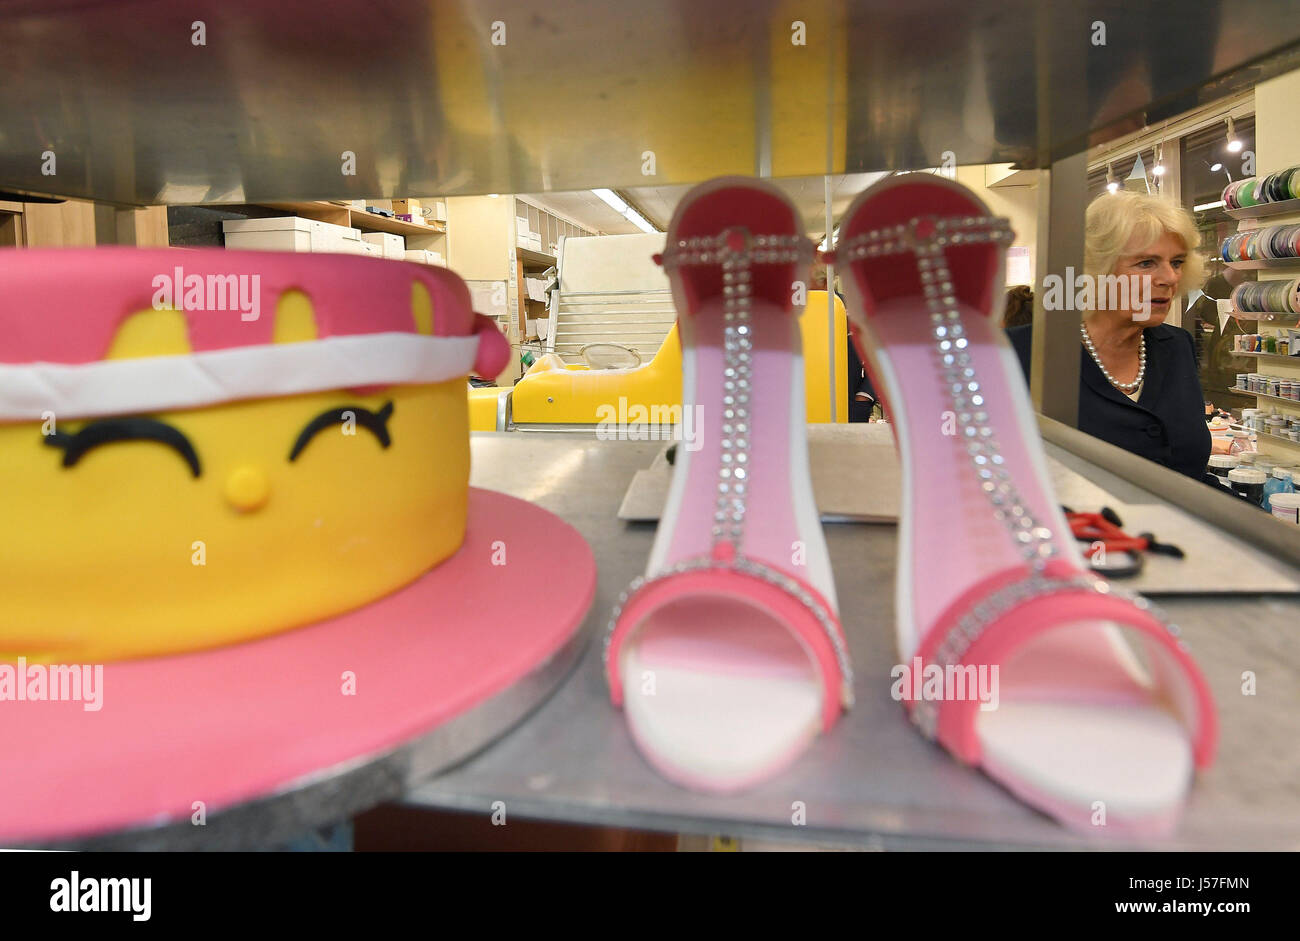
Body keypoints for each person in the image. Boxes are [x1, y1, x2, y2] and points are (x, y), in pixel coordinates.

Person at [1006, 191, 1212, 481]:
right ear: (1094, 271)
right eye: (1146, 263)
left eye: (1177, 262)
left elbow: (1192, 475)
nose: (1170, 278)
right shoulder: (1018, 354)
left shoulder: (1177, 346)